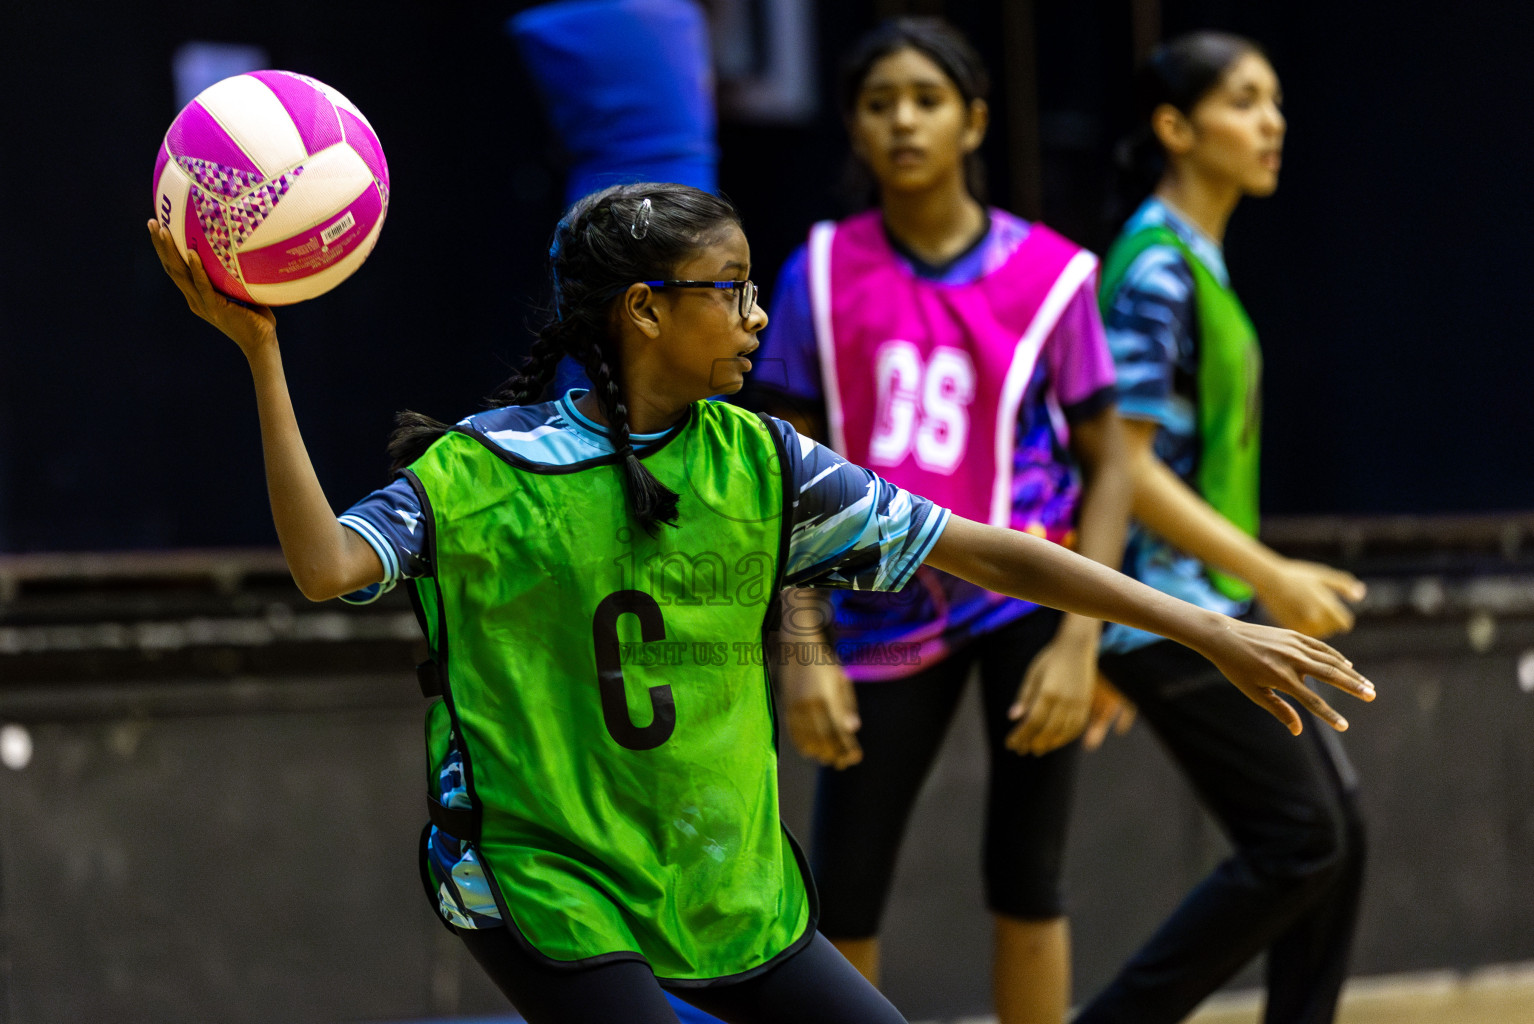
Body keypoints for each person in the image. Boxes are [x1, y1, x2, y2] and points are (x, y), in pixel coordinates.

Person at [145, 181, 1372, 1024]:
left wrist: (1201, 623)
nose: (756, 314)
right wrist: (264, 357)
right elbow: (324, 566)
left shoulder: (761, 462)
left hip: (721, 881)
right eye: (727, 289)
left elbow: (988, 550)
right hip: (539, 876)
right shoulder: (486, 468)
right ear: (645, 312)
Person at [745, 18, 1126, 1022]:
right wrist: (800, 646)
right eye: (879, 104)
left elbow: (1110, 464)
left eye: (927, 99)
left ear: (974, 122)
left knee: (1028, 876)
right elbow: (775, 474)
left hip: (1024, 598)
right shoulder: (816, 274)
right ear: (854, 129)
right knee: (842, 887)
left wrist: (1082, 641)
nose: (903, 121)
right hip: (874, 609)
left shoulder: (1054, 276)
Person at [1075, 32, 1369, 1024]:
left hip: (1207, 601)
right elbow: (1126, 468)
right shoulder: (1154, 269)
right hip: (1166, 610)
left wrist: (1262, 577)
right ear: (1173, 127)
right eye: (1244, 101)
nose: (1271, 122)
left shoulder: (1193, 261)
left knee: (1334, 839)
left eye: (1275, 101)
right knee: (1302, 840)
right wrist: (1270, 576)